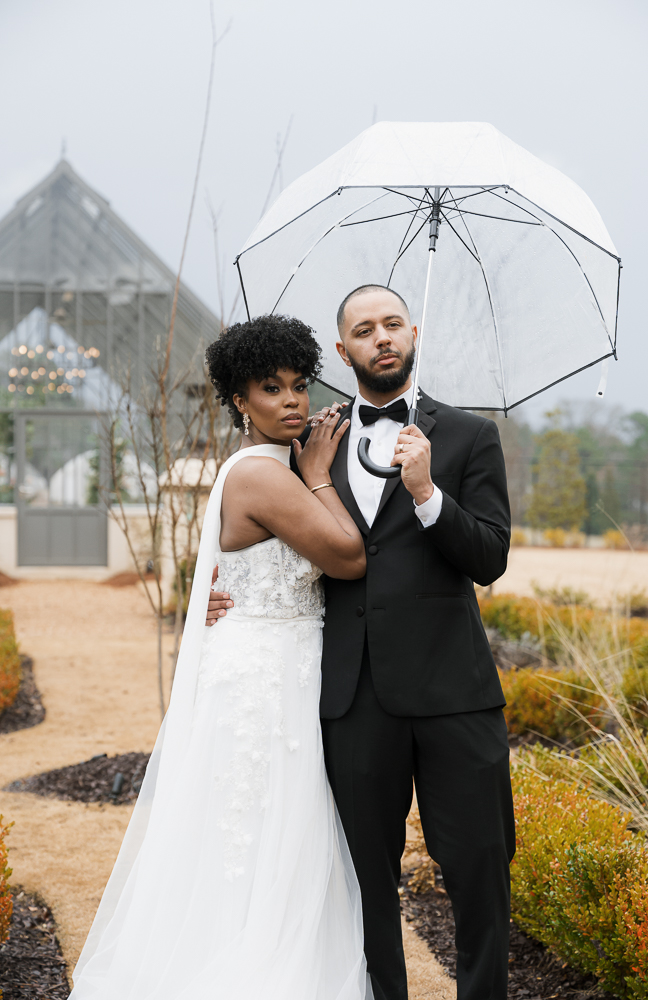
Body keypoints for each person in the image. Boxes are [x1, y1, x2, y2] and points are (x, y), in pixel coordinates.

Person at [208, 285, 516, 1000]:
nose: (380, 337)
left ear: (412, 333)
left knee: (479, 869)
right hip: (347, 695)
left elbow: (491, 558)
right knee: (361, 884)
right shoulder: (310, 440)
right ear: (342, 351)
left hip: (453, 695)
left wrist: (428, 494)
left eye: (391, 324)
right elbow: (254, 538)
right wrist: (215, 599)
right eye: (362, 330)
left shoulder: (469, 437)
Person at [69, 315, 373, 1000]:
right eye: (271, 388)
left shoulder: (269, 466)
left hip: (275, 661)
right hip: (264, 675)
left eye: (299, 385)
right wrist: (321, 474)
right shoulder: (265, 477)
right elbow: (349, 559)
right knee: (258, 827)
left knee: (265, 829)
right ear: (239, 399)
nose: (293, 401)